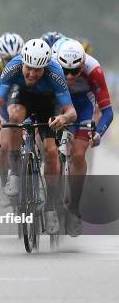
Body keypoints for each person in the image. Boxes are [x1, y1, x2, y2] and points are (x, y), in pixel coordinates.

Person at [0, 39, 77, 234]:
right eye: (28, 68)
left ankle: (51, 207)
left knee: (51, 151)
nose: (32, 74)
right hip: (22, 97)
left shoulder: (55, 72)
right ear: (23, 63)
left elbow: (72, 112)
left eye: (38, 70)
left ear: (45, 67)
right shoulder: (12, 67)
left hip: (48, 103)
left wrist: (63, 118)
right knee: (14, 116)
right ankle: (15, 174)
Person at [55, 39, 113, 236]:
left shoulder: (94, 69)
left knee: (79, 155)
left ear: (83, 65)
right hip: (57, 103)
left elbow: (107, 112)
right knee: (46, 145)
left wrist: (99, 133)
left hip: (82, 105)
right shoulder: (51, 65)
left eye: (75, 72)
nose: (70, 77)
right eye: (65, 71)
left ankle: (74, 209)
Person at [0, 32, 24, 195]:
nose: (11, 63)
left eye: (15, 58)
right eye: (7, 59)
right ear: (0, 57)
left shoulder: (28, 64)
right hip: (3, 102)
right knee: (4, 145)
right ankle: (4, 183)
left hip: (23, 100)